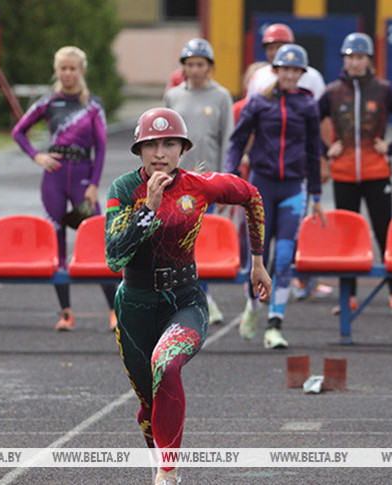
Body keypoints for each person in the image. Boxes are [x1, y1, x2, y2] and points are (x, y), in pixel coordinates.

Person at [105, 107, 271, 485]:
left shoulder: (200, 186)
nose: (160, 153)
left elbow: (252, 195)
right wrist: (147, 207)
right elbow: (115, 256)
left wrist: (257, 261)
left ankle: (168, 472)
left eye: (169, 144)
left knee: (167, 363)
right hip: (135, 307)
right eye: (151, 145)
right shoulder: (123, 190)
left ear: (182, 148)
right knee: (148, 410)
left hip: (185, 301)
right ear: (139, 151)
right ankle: (161, 463)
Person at [226, 44, 325, 349]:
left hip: (294, 188)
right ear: (276, 70)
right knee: (258, 255)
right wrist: (230, 178)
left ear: (302, 74)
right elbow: (237, 141)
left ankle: (275, 324)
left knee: (283, 258)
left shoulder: (308, 106)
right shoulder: (258, 103)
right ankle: (254, 307)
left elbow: (313, 151)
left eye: (296, 71)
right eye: (286, 69)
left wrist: (317, 193)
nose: (290, 75)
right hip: (261, 187)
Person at [12, 46, 117, 331]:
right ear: (56, 71)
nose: (68, 74)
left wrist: (94, 185)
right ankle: (66, 313)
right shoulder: (48, 103)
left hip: (83, 176)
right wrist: (37, 156)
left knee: (97, 244)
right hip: (54, 178)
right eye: (63, 69)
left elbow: (101, 147)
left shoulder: (93, 105)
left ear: (81, 71)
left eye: (73, 68)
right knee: (56, 244)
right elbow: (18, 131)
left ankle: (114, 312)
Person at [318, 32, 392, 316]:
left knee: (384, 231)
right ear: (344, 59)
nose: (355, 62)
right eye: (351, 57)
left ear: (369, 60)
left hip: (377, 172)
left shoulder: (383, 89)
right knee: (348, 235)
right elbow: (308, 122)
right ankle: (348, 296)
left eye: (360, 57)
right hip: (344, 174)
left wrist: (391, 147)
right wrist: (327, 148)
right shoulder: (332, 92)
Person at [164, 37, 234, 325]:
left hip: (206, 183)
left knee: (202, 243)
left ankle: (203, 295)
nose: (195, 69)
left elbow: (228, 139)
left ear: (210, 67)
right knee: (174, 243)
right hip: (175, 181)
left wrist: (224, 181)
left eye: (200, 64)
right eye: (190, 64)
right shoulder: (173, 96)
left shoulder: (221, 97)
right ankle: (188, 298)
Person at [247, 23, 326, 100]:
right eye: (270, 48)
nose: (275, 52)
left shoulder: (312, 76)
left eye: (279, 47)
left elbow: (319, 109)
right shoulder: (258, 76)